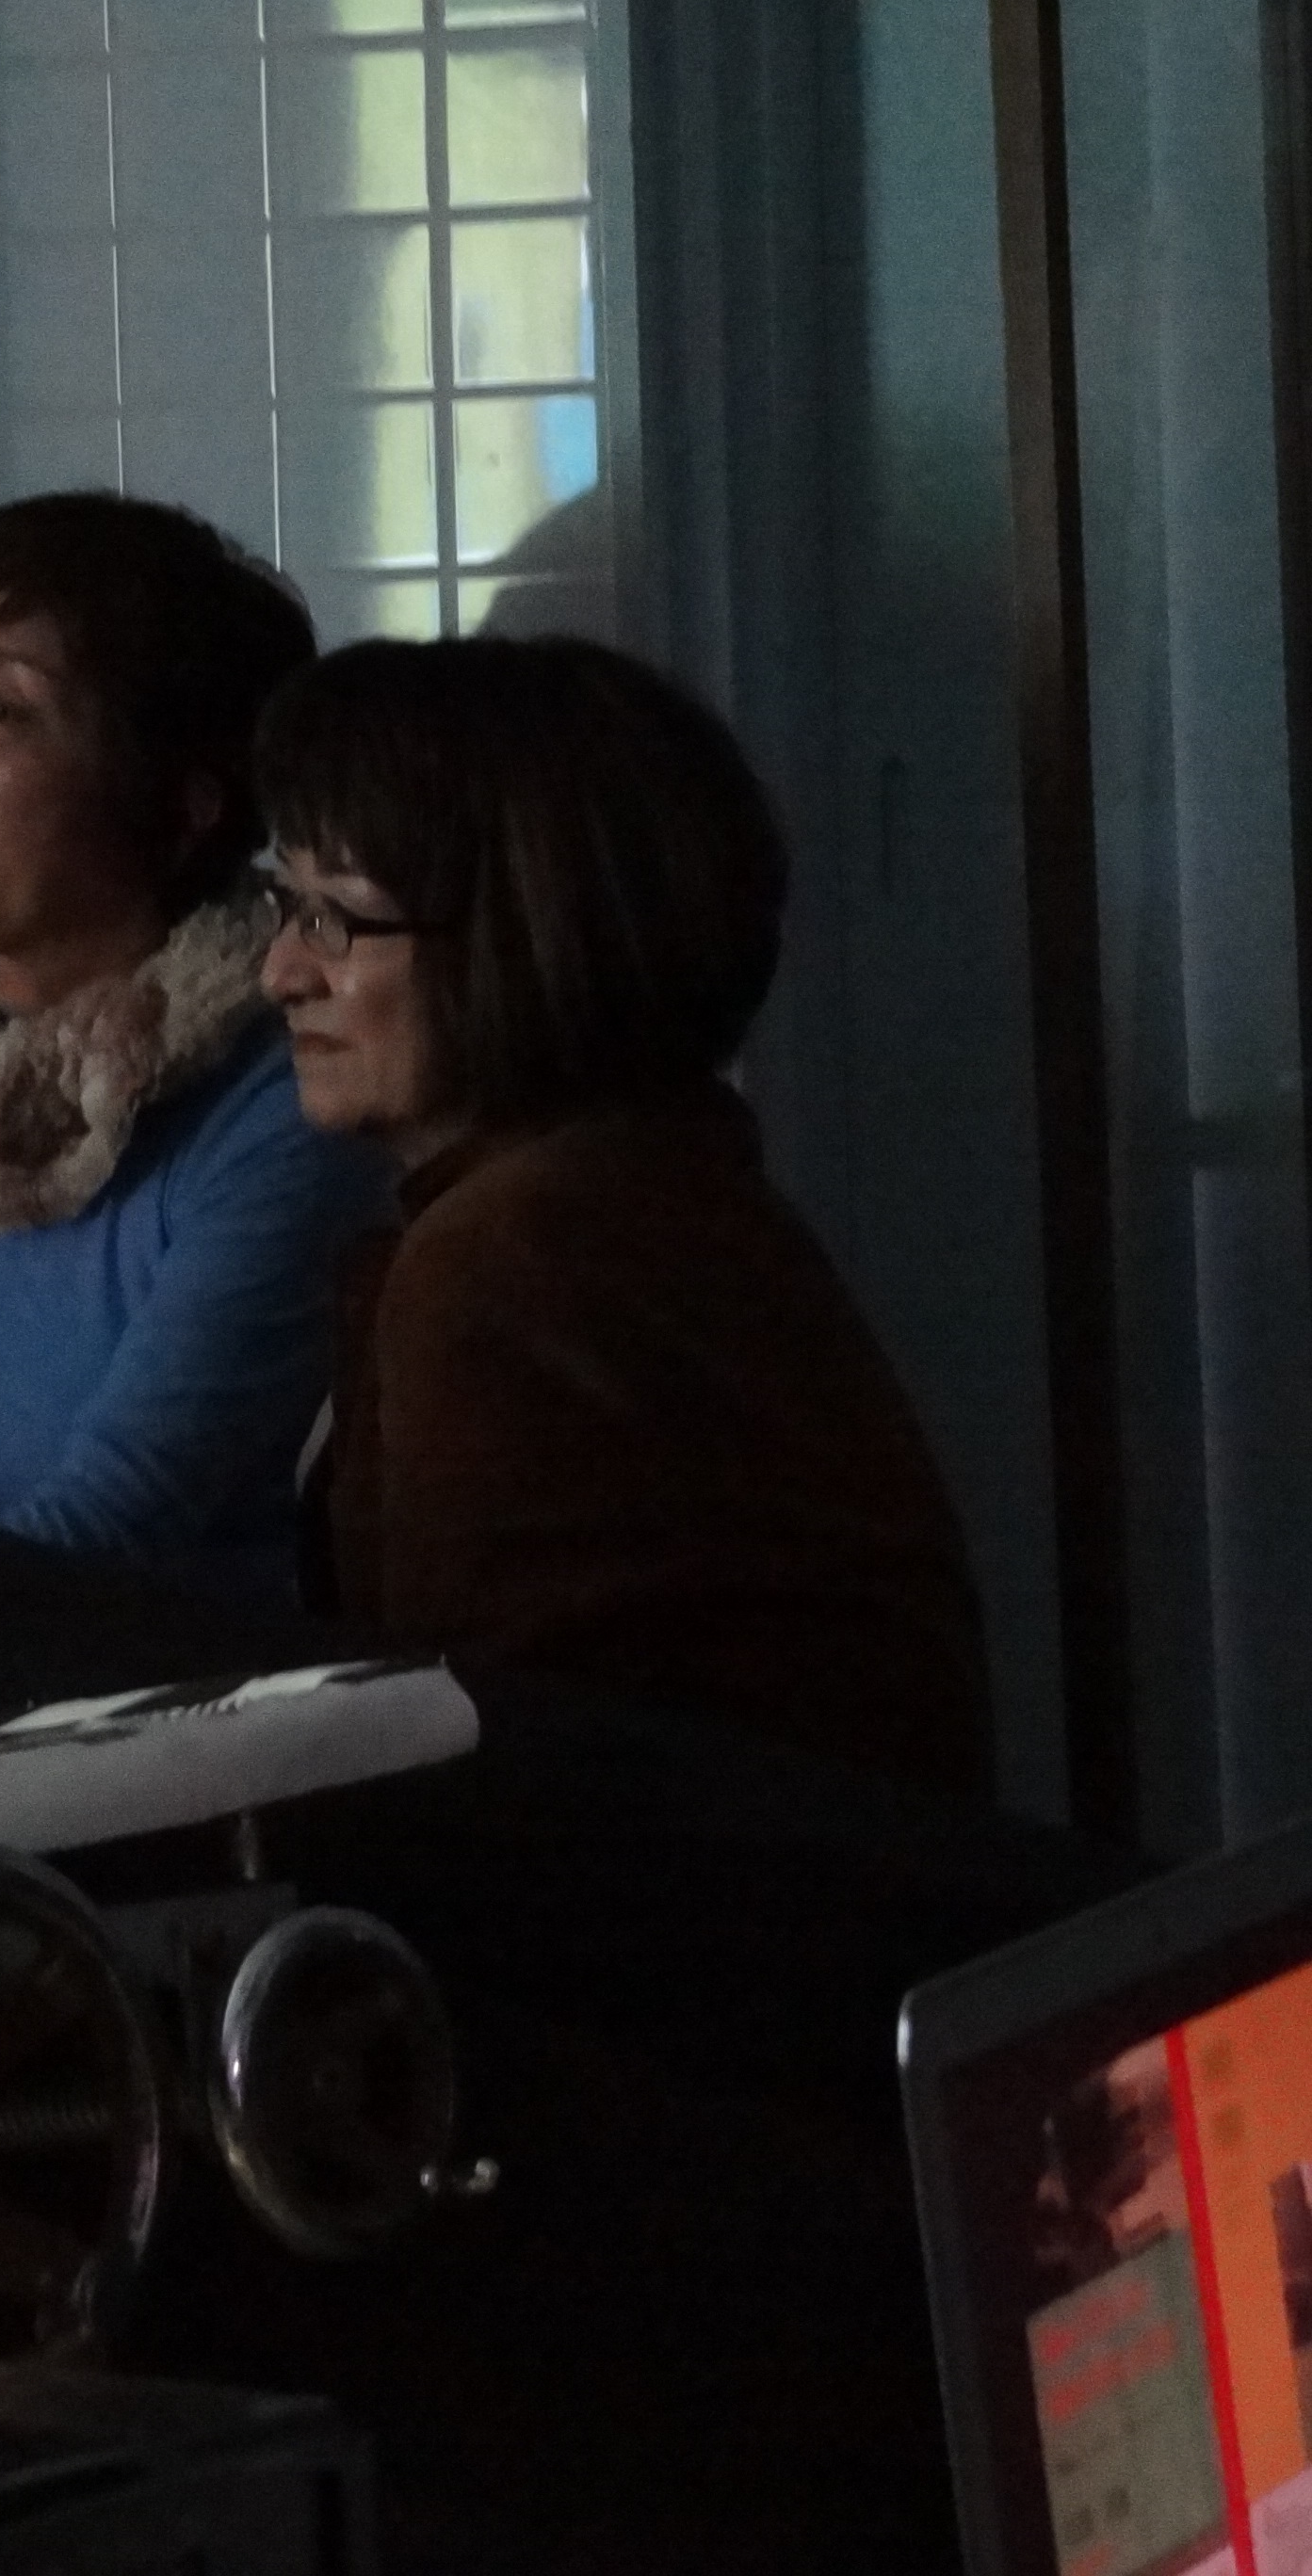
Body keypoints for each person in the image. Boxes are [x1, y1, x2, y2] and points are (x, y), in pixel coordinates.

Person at [252, 633, 993, 1795]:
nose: (281, 972)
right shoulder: (642, 1185)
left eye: (336, 918)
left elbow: (513, 1778)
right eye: (282, 904)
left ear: (527, 929)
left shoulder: (517, 1253)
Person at [0, 493, 389, 1595]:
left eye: (4, 710)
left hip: (186, 1684)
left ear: (182, 802)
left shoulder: (283, 1100)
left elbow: (117, 1518)